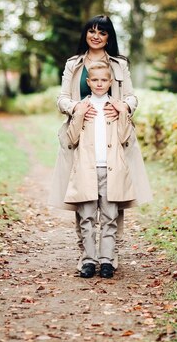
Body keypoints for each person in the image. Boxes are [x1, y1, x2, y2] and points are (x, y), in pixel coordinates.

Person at [48, 14, 152, 272]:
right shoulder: (74, 64)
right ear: (85, 34)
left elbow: (132, 97)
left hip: (112, 138)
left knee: (112, 199)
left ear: (109, 37)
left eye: (102, 32)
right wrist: (77, 108)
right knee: (83, 198)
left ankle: (109, 257)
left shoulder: (119, 65)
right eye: (92, 31)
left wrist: (123, 106)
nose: (96, 36)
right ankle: (86, 257)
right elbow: (61, 98)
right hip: (80, 137)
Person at [65, 60, 139, 278]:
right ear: (88, 82)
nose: (99, 84)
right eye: (94, 80)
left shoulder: (114, 107)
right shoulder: (82, 107)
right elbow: (72, 138)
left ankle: (107, 260)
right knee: (86, 217)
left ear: (110, 82)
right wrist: (78, 114)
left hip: (111, 170)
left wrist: (123, 112)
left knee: (109, 217)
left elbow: (126, 137)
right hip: (86, 170)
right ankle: (88, 260)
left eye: (103, 80)